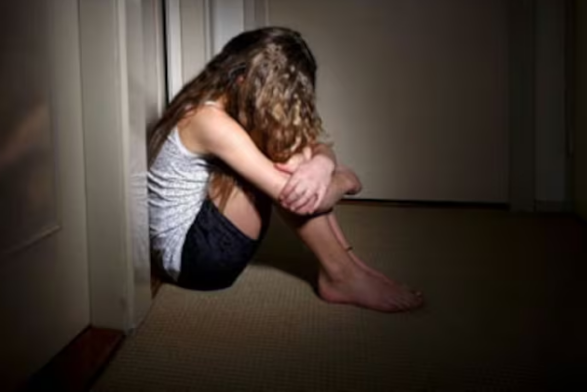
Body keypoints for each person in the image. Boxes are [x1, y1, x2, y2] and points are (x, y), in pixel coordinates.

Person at [148, 27, 423, 312]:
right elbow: (301, 199)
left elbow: (315, 147)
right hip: (194, 261)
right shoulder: (208, 120)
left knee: (297, 159)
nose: (273, 109)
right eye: (271, 98)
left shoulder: (219, 100)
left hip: (202, 242)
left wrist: (323, 164)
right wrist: (344, 180)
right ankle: (342, 275)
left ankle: (350, 267)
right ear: (242, 81)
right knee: (291, 168)